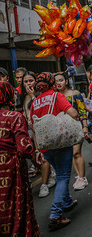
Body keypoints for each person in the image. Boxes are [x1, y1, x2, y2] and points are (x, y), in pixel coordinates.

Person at [30, 72, 79, 231]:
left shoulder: (34, 103)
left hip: (45, 147)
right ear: (52, 83)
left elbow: (34, 128)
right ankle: (56, 214)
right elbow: (73, 113)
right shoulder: (57, 96)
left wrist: (38, 150)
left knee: (59, 173)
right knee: (64, 177)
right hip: (60, 143)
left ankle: (66, 202)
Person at [0, 81, 41, 236]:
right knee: (15, 206)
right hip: (11, 169)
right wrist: (35, 154)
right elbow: (24, 148)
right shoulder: (15, 117)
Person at [20, 71, 56, 196]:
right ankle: (50, 173)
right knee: (35, 156)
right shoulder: (24, 97)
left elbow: (41, 111)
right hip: (30, 131)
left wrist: (33, 95)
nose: (28, 83)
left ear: (36, 81)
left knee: (43, 155)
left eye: (31, 80)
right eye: (26, 81)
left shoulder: (40, 95)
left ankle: (45, 184)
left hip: (42, 129)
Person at [55, 72, 89, 191]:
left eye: (60, 80)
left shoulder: (75, 94)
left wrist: (85, 126)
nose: (58, 83)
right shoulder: (55, 97)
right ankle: (79, 176)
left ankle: (83, 178)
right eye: (56, 81)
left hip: (76, 126)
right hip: (63, 130)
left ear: (66, 81)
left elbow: (82, 110)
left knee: (76, 152)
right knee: (71, 153)